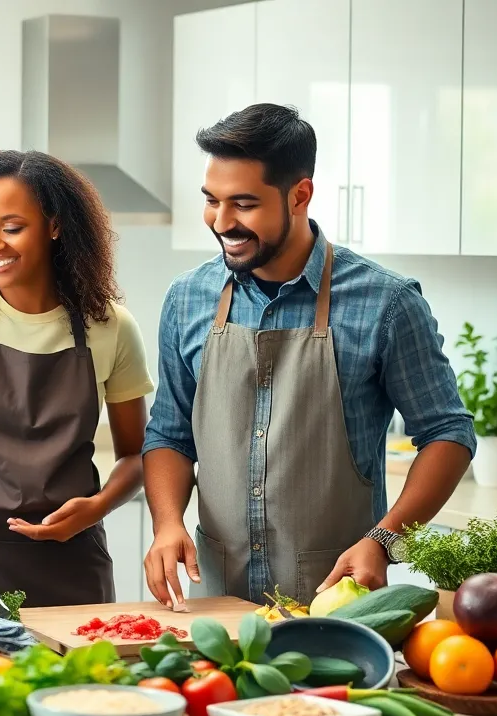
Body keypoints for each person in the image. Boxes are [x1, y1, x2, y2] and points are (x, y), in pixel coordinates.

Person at [142, 103, 476, 608]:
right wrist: (167, 523)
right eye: (212, 200)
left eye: (245, 204)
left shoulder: (386, 303)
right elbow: (169, 433)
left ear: (300, 195)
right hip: (216, 602)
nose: (222, 221)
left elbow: (448, 433)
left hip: (339, 600)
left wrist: (384, 541)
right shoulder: (188, 298)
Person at [0, 149, 154, 607]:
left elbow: (138, 455)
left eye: (12, 228)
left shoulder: (111, 327)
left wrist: (96, 508)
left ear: (54, 227)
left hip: (73, 563)